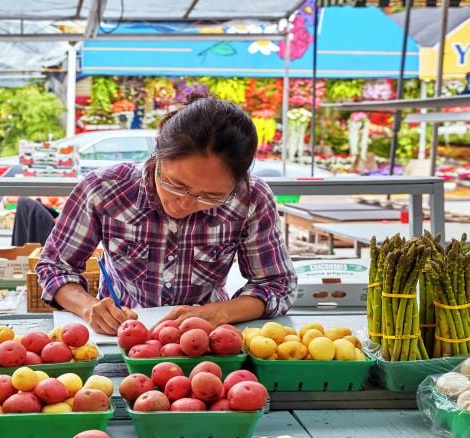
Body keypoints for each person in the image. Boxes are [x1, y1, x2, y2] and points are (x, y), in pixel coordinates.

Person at [34, 94, 298, 335]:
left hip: (208, 338)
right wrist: (88, 307)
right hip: (121, 334)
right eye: (175, 185)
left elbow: (277, 284)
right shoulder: (104, 189)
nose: (185, 203)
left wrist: (221, 313)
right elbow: (56, 267)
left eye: (211, 197)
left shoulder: (251, 198)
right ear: (157, 154)